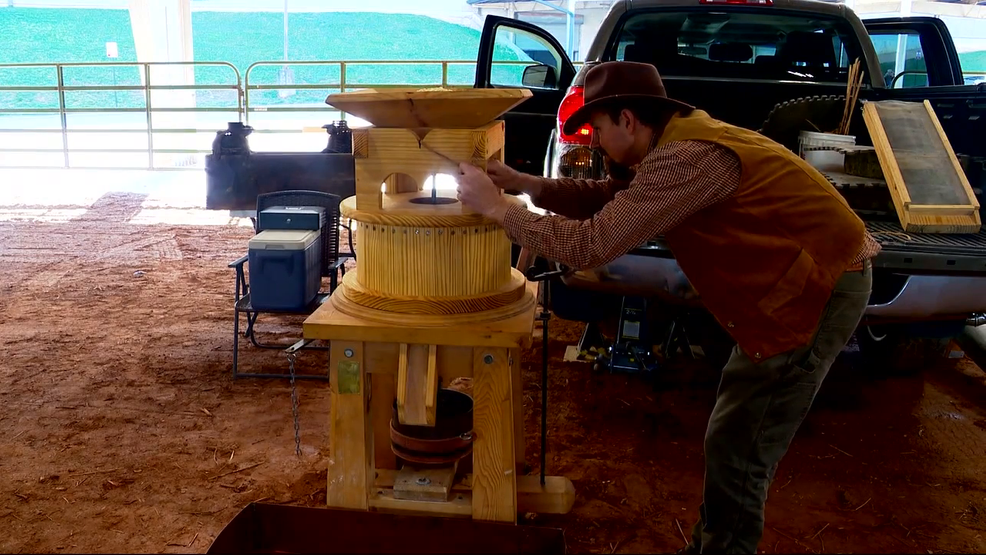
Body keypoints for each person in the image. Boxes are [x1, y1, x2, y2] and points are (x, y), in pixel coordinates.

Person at [454, 61, 880, 554]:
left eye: (597, 130)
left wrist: (498, 208)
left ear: (628, 120)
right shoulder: (676, 142)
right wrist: (521, 182)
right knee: (733, 432)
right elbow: (611, 198)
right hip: (801, 274)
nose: (594, 144)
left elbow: (592, 244)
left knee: (741, 444)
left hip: (818, 284)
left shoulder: (686, 158)